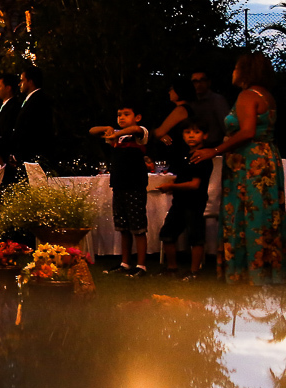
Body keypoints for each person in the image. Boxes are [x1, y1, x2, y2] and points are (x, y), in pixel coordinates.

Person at [191, 53, 285, 285]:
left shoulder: (247, 95)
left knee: (248, 214)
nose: (232, 72)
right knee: (265, 216)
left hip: (249, 165)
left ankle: (246, 274)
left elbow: (247, 131)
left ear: (246, 71)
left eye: (236, 68)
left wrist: (214, 150)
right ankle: (266, 271)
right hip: (267, 159)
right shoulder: (267, 96)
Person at [90, 102, 150, 276]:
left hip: (135, 185)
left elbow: (137, 130)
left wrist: (116, 133)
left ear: (137, 117)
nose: (121, 118)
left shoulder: (139, 134)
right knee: (123, 227)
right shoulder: (118, 136)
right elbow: (92, 131)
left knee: (138, 227)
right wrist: (109, 129)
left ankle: (141, 265)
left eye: (126, 114)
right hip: (119, 185)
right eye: (119, 115)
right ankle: (125, 263)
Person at [156, 118, 212, 279]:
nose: (191, 136)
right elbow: (183, 177)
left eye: (196, 132)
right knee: (167, 233)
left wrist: (171, 187)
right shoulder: (185, 155)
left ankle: (194, 272)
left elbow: (195, 184)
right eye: (188, 132)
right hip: (179, 201)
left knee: (195, 237)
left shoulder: (202, 157)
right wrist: (172, 182)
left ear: (205, 135)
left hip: (194, 202)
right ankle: (172, 268)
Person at [11, 66, 54, 165]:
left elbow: (31, 128)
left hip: (32, 155)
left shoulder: (39, 100)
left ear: (30, 82)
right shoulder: (30, 100)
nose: (19, 84)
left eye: (22, 80)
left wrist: (20, 154)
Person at [152, 75, 195, 160]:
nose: (169, 92)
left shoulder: (181, 109)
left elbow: (160, 132)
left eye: (171, 89)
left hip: (177, 153)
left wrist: (152, 133)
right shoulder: (181, 108)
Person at [190, 68, 230, 148]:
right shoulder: (191, 101)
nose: (198, 84)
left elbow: (227, 126)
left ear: (208, 82)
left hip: (214, 147)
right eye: (195, 82)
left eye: (202, 80)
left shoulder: (217, 100)